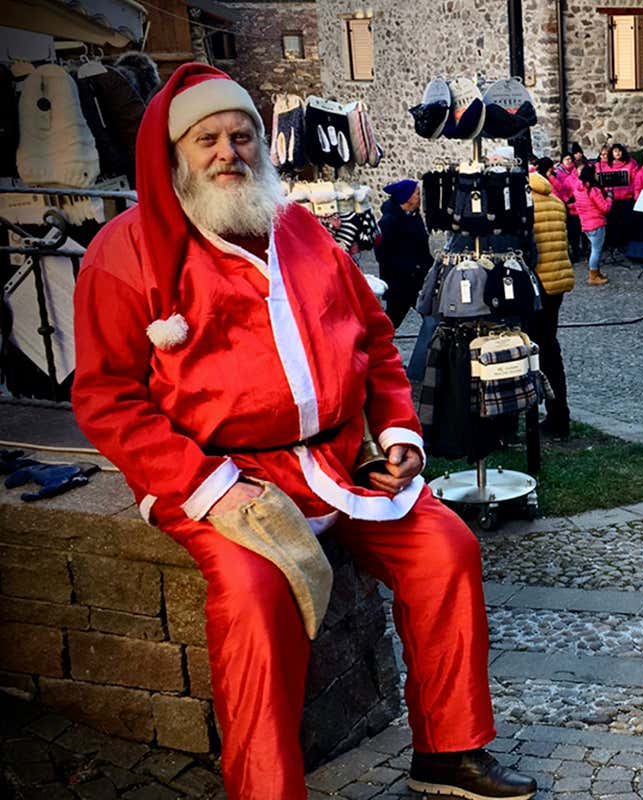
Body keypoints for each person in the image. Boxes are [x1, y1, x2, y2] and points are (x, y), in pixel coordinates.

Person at [70, 65, 536, 800]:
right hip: (227, 481)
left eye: (242, 135)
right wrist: (207, 486)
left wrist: (399, 439)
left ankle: (449, 751)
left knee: (447, 549)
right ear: (175, 155)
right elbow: (107, 398)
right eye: (208, 139)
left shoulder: (303, 233)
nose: (230, 152)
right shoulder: (125, 254)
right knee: (254, 599)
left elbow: (377, 345)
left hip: (342, 460)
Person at [529, 158, 576, 439]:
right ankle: (559, 413)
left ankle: (554, 417)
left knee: (540, 350)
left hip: (539, 284)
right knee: (550, 348)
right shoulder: (556, 203)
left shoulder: (527, 206)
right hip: (557, 282)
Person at [375, 178, 432, 328]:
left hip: (418, 281)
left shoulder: (415, 217)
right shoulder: (388, 222)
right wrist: (411, 268)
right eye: (417, 194)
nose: (420, 198)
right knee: (392, 322)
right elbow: (382, 255)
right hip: (399, 284)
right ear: (407, 198)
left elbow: (422, 249)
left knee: (431, 318)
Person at [573, 164, 612, 285]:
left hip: (586, 223)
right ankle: (593, 276)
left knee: (595, 249)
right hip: (596, 222)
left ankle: (596, 272)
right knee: (596, 250)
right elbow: (604, 208)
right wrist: (610, 197)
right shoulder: (593, 190)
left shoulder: (578, 189)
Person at [599, 142, 637, 249]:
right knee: (614, 223)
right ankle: (615, 244)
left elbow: (635, 181)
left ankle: (628, 245)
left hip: (627, 198)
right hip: (614, 199)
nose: (618, 153)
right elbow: (605, 183)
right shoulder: (608, 166)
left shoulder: (630, 164)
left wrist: (632, 192)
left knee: (628, 222)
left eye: (619, 150)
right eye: (615, 151)